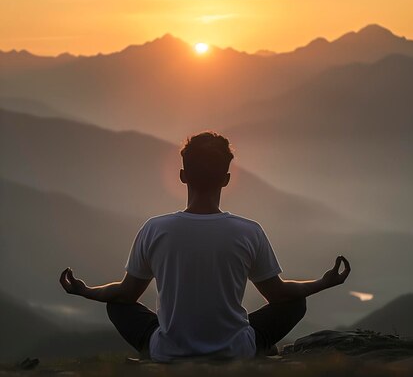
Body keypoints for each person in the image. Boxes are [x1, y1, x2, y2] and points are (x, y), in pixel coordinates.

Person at [59, 131, 351, 362]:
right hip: (235, 350)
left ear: (183, 176)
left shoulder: (155, 229)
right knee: (295, 303)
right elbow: (278, 294)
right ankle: (247, 346)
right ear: (226, 180)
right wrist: (323, 282)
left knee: (117, 307)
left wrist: (84, 291)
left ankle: (161, 350)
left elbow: (126, 294)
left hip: (169, 350)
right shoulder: (248, 232)